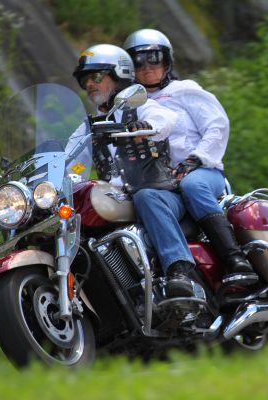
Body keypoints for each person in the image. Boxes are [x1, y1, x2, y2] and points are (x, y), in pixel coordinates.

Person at [123, 29, 258, 288]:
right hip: (163, 185)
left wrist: (195, 159)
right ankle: (178, 273)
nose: (147, 67)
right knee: (144, 197)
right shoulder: (129, 105)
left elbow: (217, 125)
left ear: (167, 61)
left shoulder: (184, 91)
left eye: (154, 58)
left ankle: (234, 258)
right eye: (138, 61)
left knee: (192, 184)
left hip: (203, 174)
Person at [66, 43, 197, 299]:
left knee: (145, 196)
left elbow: (166, 121)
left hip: (161, 193)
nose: (90, 85)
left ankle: (179, 270)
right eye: (85, 80)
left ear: (119, 75)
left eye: (95, 77)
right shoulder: (89, 126)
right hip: (117, 199)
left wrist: (145, 127)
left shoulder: (141, 107)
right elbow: (70, 160)